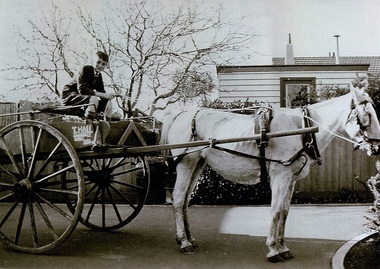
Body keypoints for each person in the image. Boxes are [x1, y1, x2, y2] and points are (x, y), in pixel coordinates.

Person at [61, 51, 117, 120]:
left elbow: (102, 92)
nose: (100, 66)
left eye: (103, 64)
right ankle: (89, 124)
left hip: (82, 98)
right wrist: (102, 95)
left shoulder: (99, 76)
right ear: (93, 61)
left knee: (108, 103)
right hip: (69, 96)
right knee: (93, 99)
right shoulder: (85, 69)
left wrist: (110, 96)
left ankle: (106, 126)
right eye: (98, 62)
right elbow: (82, 90)